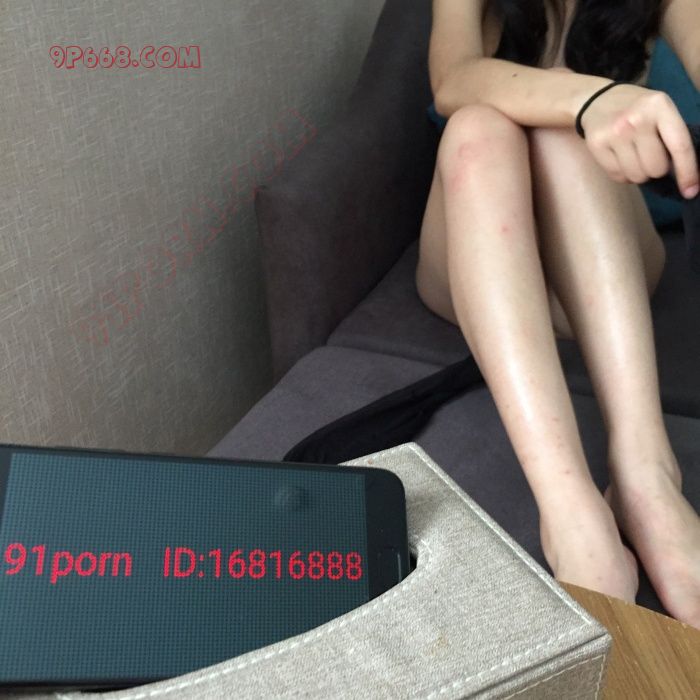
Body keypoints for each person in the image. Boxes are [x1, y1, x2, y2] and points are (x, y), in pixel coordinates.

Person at [416, 0, 700, 629]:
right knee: (478, 127)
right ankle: (570, 510)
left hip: (602, 260)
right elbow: (453, 79)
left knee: (563, 137)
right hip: (480, 255)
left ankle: (646, 479)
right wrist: (589, 98)